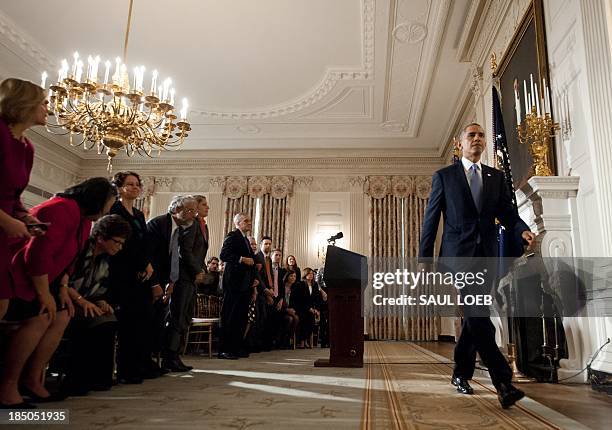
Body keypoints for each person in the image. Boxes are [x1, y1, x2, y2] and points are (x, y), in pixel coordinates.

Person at [419, 122, 535, 409]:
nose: (477, 139)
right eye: (471, 135)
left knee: (475, 317)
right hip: (458, 257)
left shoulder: (496, 177)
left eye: (481, 135)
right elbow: (431, 219)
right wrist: (424, 259)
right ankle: (504, 382)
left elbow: (508, 213)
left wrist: (521, 230)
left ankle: (460, 373)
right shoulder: (444, 177)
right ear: (460, 143)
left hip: (486, 256)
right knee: (480, 317)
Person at [1, 177, 116, 408]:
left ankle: (32, 380)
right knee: (41, 316)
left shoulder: (83, 220)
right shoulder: (60, 210)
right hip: (19, 276)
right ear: (96, 199)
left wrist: (62, 288)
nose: (107, 211)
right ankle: (7, 386)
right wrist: (45, 295)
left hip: (49, 280)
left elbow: (71, 259)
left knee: (63, 314)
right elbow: (36, 255)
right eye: (108, 205)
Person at [61, 214, 131, 396]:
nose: (119, 247)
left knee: (109, 319)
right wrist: (82, 301)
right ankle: (76, 378)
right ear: (100, 237)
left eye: (122, 243)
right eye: (117, 242)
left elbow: (98, 287)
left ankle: (100, 377)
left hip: (84, 300)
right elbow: (62, 281)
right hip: (66, 298)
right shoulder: (80, 250)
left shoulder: (105, 259)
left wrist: (101, 301)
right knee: (92, 320)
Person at [0, 78, 48, 319]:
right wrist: (7, 221)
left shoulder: (27, 147)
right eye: (43, 103)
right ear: (25, 104)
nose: (47, 109)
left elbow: (13, 195)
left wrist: (25, 217)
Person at [108, 171, 157, 384]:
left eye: (137, 184)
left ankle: (140, 365)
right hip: (122, 272)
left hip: (141, 274)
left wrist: (148, 265)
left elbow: (144, 242)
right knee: (127, 324)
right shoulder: (114, 210)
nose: (135, 188)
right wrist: (141, 263)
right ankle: (126, 371)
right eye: (130, 184)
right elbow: (122, 244)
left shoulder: (138, 214)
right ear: (119, 187)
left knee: (142, 321)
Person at [147, 195, 205, 372]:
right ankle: (157, 358)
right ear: (176, 209)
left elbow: (172, 258)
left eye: (194, 211)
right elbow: (149, 256)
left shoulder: (178, 229)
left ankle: (166, 359)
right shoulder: (158, 224)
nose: (193, 215)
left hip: (168, 281)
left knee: (167, 320)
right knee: (165, 320)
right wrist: (155, 283)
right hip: (151, 281)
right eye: (189, 211)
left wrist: (171, 281)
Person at [218, 213, 256, 359]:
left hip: (244, 284)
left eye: (249, 220)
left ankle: (236, 347)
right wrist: (242, 259)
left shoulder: (245, 239)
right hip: (233, 283)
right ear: (237, 223)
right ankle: (224, 350)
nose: (249, 223)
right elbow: (224, 255)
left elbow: (250, 261)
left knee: (240, 317)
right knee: (230, 316)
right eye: (246, 221)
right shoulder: (233, 236)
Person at [293, 267, 324, 348]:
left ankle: (305, 340)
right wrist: (309, 308)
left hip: (311, 309)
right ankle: (302, 341)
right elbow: (300, 299)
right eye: (309, 274)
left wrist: (316, 309)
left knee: (311, 317)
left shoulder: (315, 285)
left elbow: (317, 299)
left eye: (312, 274)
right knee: (304, 316)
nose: (311, 275)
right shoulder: (300, 284)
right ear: (305, 274)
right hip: (301, 307)